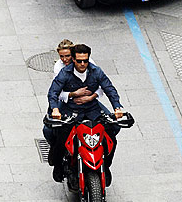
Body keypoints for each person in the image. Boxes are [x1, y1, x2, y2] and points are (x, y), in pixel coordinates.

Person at [47, 44, 124, 185]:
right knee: (61, 139)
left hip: (92, 110)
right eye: (79, 61)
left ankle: (106, 167)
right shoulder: (64, 73)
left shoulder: (96, 71)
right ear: (73, 60)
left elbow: (109, 88)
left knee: (110, 138)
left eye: (85, 61)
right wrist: (55, 109)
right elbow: (53, 92)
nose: (82, 64)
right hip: (71, 111)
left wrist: (117, 107)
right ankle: (58, 166)